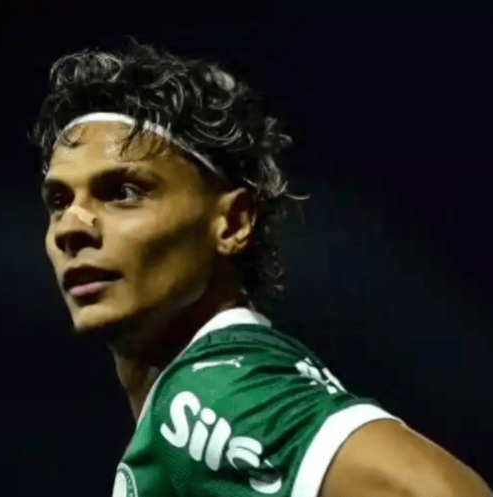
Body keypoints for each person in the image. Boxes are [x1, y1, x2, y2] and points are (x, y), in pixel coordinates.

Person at [27, 36, 491, 496]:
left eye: (123, 192)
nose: (72, 226)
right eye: (59, 201)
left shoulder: (210, 396)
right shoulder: (210, 394)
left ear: (232, 222)